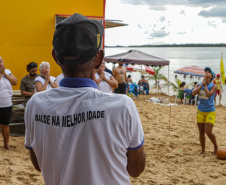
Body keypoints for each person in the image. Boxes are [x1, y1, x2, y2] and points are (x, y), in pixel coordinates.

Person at [24, 13, 145, 185]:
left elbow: (38, 165)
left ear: (55, 57)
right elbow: (135, 169)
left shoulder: (35, 104)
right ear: (99, 59)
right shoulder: (123, 106)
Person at [192, 67, 218, 155]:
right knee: (201, 131)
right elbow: (193, 93)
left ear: (212, 76)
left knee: (208, 131)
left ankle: (216, 146)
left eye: (209, 72)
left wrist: (205, 85)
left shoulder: (214, 86)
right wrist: (201, 85)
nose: (206, 73)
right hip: (200, 110)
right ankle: (203, 150)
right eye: (205, 72)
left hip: (210, 110)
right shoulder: (199, 84)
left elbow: (208, 94)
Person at [0, 56, 17, 149]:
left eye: (1, 61)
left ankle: (6, 144)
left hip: (6, 103)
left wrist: (4, 74)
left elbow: (14, 82)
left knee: (5, 124)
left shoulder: (8, 71)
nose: (1, 63)